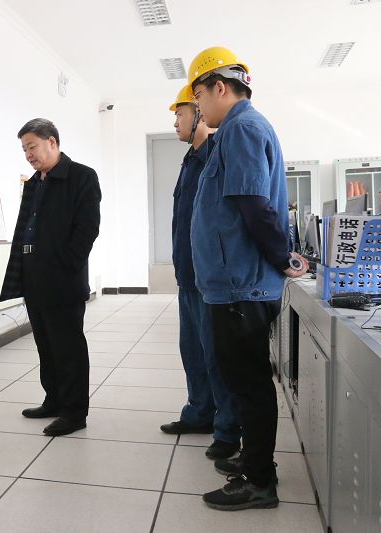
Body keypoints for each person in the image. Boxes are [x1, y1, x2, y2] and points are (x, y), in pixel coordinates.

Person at [187, 47, 309, 511]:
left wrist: (281, 257)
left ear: (219, 87)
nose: (199, 108)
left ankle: (259, 481)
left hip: (241, 283)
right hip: (234, 281)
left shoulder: (241, 129)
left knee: (249, 382)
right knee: (243, 379)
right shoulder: (238, 131)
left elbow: (255, 205)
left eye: (199, 96)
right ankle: (255, 461)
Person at [0, 118, 101, 437]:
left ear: (52, 142)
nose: (28, 154)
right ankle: (54, 400)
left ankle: (74, 412)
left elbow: (88, 228)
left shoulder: (81, 176)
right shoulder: (34, 182)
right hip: (34, 275)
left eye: (32, 146)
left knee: (68, 347)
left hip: (63, 277)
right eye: (24, 149)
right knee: (45, 344)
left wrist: (66, 265)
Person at [159, 85, 242, 461]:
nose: (175, 121)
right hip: (187, 275)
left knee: (216, 356)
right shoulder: (190, 159)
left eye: (179, 113)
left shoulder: (217, 154)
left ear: (198, 111)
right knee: (192, 351)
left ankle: (227, 430)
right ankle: (199, 414)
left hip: (210, 277)